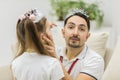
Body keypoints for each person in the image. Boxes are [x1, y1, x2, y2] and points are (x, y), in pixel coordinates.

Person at [43, 8, 104, 80]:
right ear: (63, 32)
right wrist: (44, 28)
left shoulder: (95, 60)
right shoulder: (54, 50)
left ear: (87, 36)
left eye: (81, 29)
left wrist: (55, 59)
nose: (75, 33)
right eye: (71, 27)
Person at [11, 9, 65, 80]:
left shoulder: (15, 63)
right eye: (50, 29)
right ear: (43, 37)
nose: (51, 32)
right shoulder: (53, 64)